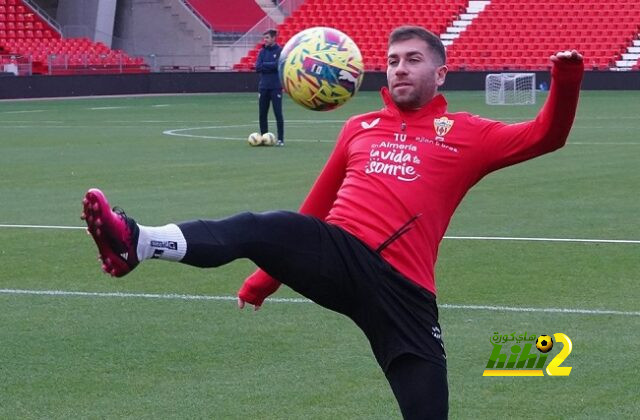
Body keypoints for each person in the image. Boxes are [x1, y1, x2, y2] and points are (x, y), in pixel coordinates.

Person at [81, 26, 583, 419]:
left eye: (413, 60)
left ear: (442, 73)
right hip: (342, 254)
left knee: (428, 411)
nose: (399, 70)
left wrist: (566, 81)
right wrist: (263, 279)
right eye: (392, 61)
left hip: (406, 295)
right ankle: (139, 242)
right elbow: (315, 207)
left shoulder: (469, 134)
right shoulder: (358, 127)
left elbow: (546, 136)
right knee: (264, 224)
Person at [256, 29, 284, 146]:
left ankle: (280, 139)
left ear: (273, 38)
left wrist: (265, 65)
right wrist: (270, 65)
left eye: (267, 38)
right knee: (262, 113)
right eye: (264, 38)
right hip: (263, 87)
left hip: (276, 87)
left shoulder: (280, 51)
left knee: (278, 113)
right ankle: (264, 137)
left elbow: (278, 65)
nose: (265, 40)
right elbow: (257, 67)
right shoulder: (262, 51)